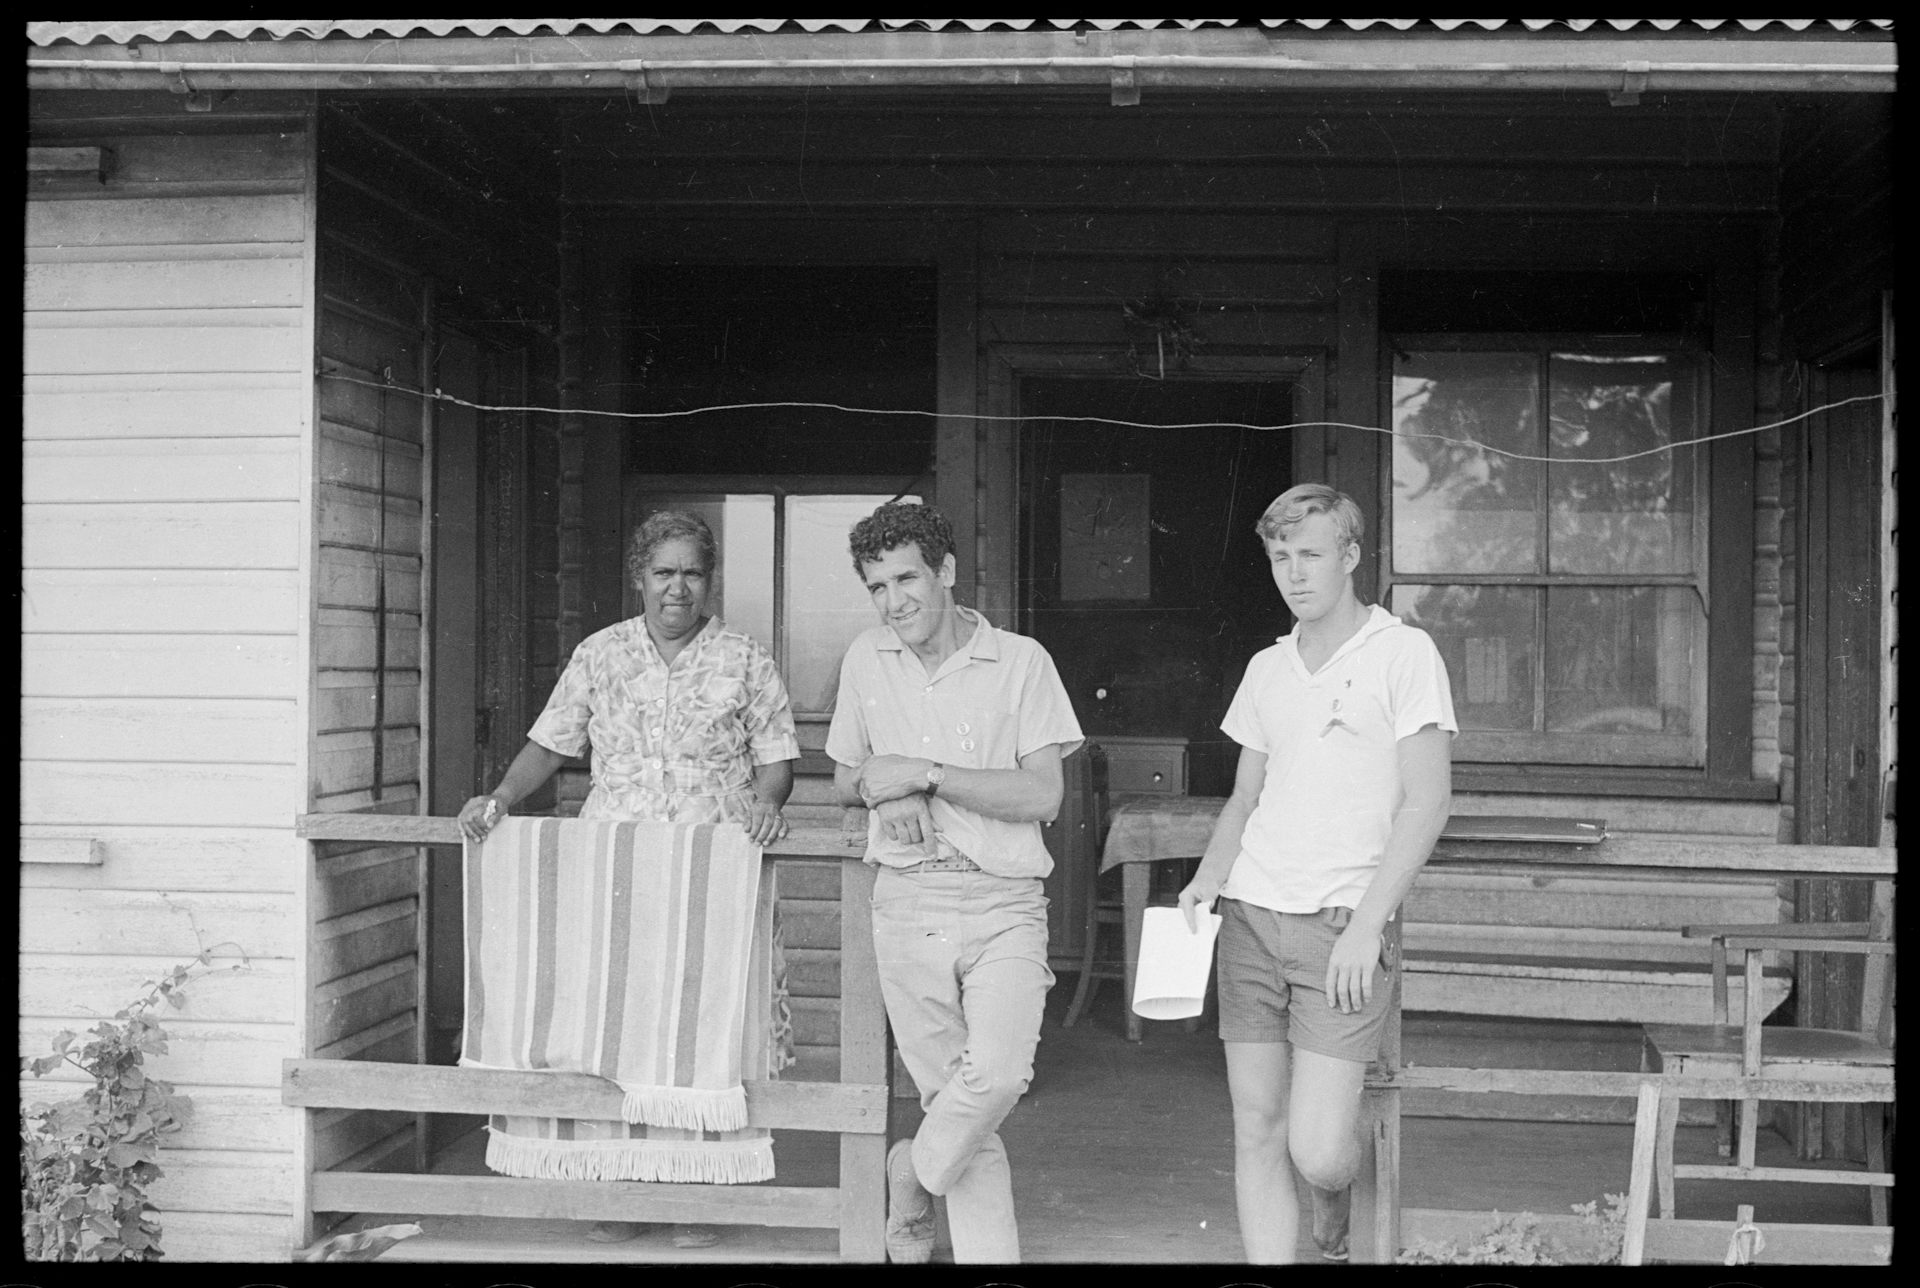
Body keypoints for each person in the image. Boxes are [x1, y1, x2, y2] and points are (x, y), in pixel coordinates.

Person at [457, 509, 799, 1248]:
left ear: (710, 582)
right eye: (663, 572)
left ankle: (697, 1196)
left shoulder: (745, 658)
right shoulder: (600, 654)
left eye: (692, 573)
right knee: (620, 1026)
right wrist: (500, 799)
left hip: (711, 874)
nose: (678, 587)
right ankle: (616, 1187)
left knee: (702, 1032)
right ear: (640, 577)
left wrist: (768, 806)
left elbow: (776, 761)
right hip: (617, 871)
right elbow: (549, 746)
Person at [1177, 483, 1455, 1265]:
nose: (1294, 573)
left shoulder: (1403, 653)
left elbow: (1429, 802)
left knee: (1320, 1152)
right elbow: (1244, 798)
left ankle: (1333, 1200)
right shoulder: (1268, 668)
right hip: (1252, 919)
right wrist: (1208, 877)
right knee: (1257, 1128)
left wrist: (1369, 925)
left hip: (1342, 929)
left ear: (1352, 556)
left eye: (1310, 554)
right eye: (1279, 557)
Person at [824, 501, 1083, 1264]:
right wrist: (888, 786)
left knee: (999, 1075)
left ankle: (913, 1173)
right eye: (877, 586)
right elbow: (845, 771)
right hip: (909, 901)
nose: (894, 601)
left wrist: (929, 776)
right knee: (954, 1104)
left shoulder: (1022, 660)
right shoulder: (867, 659)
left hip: (1004, 901)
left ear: (946, 572)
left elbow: (1043, 796)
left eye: (907, 578)